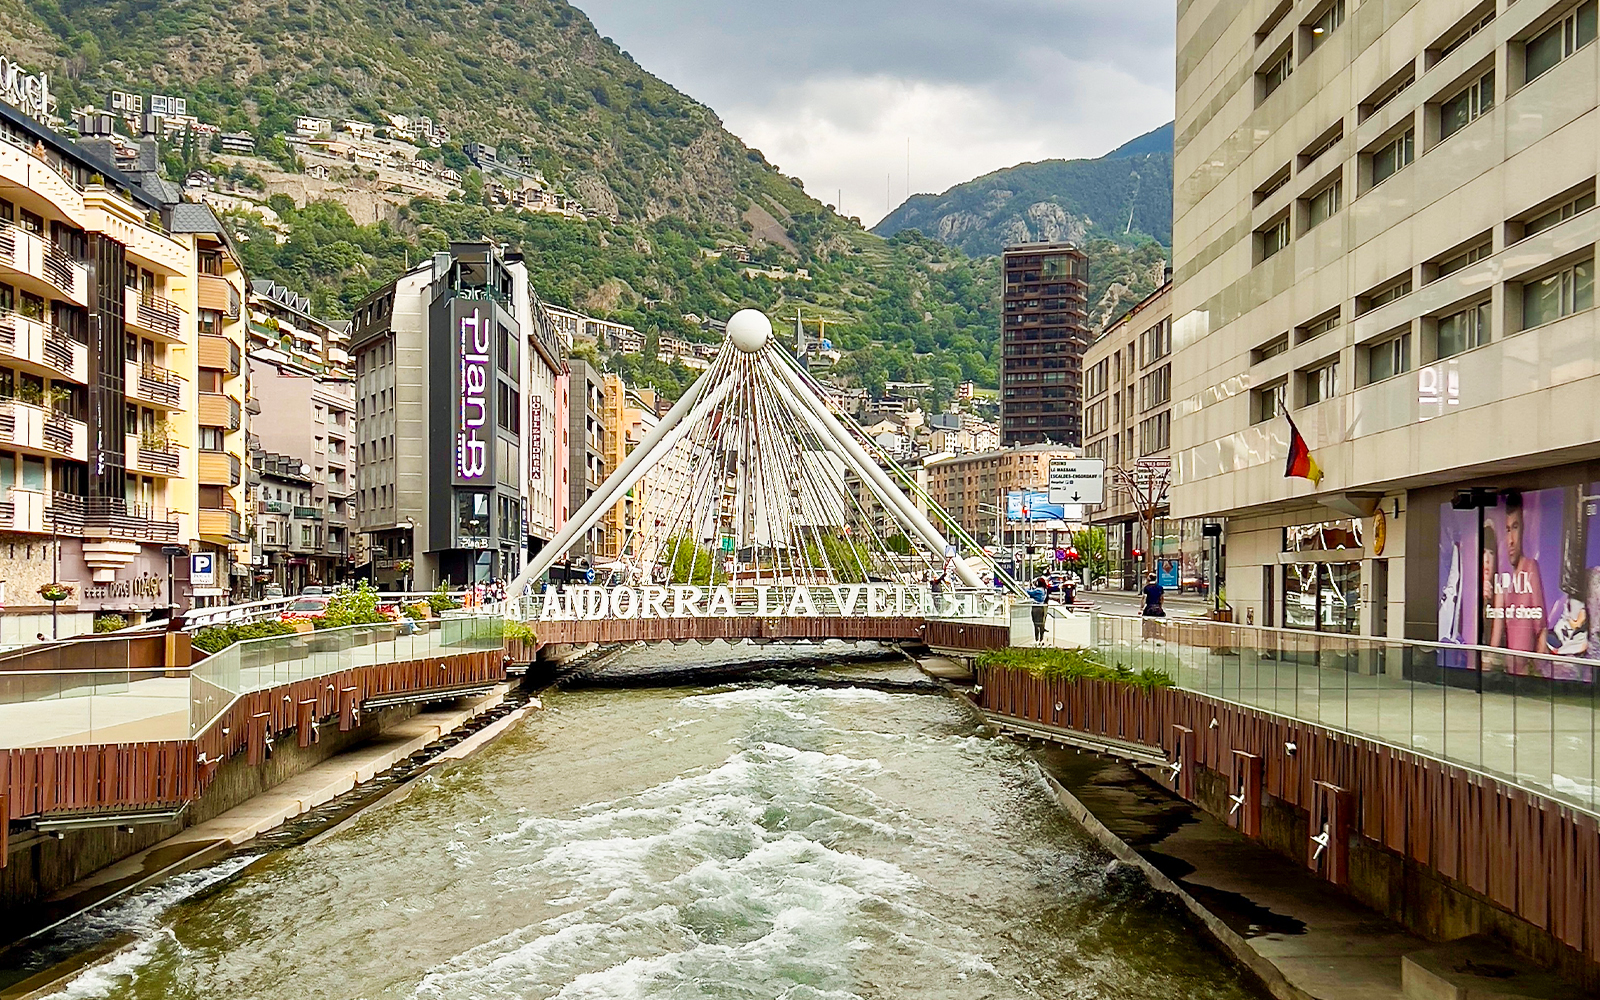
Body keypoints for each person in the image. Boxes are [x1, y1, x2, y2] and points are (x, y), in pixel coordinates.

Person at [1490, 492, 1547, 674]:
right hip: (1508, 670)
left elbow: (1542, 628)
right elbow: (1497, 626)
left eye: (1515, 527)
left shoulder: (1530, 568)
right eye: (1507, 530)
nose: (1511, 540)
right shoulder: (1503, 576)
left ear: (1523, 529)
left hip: (1525, 672)